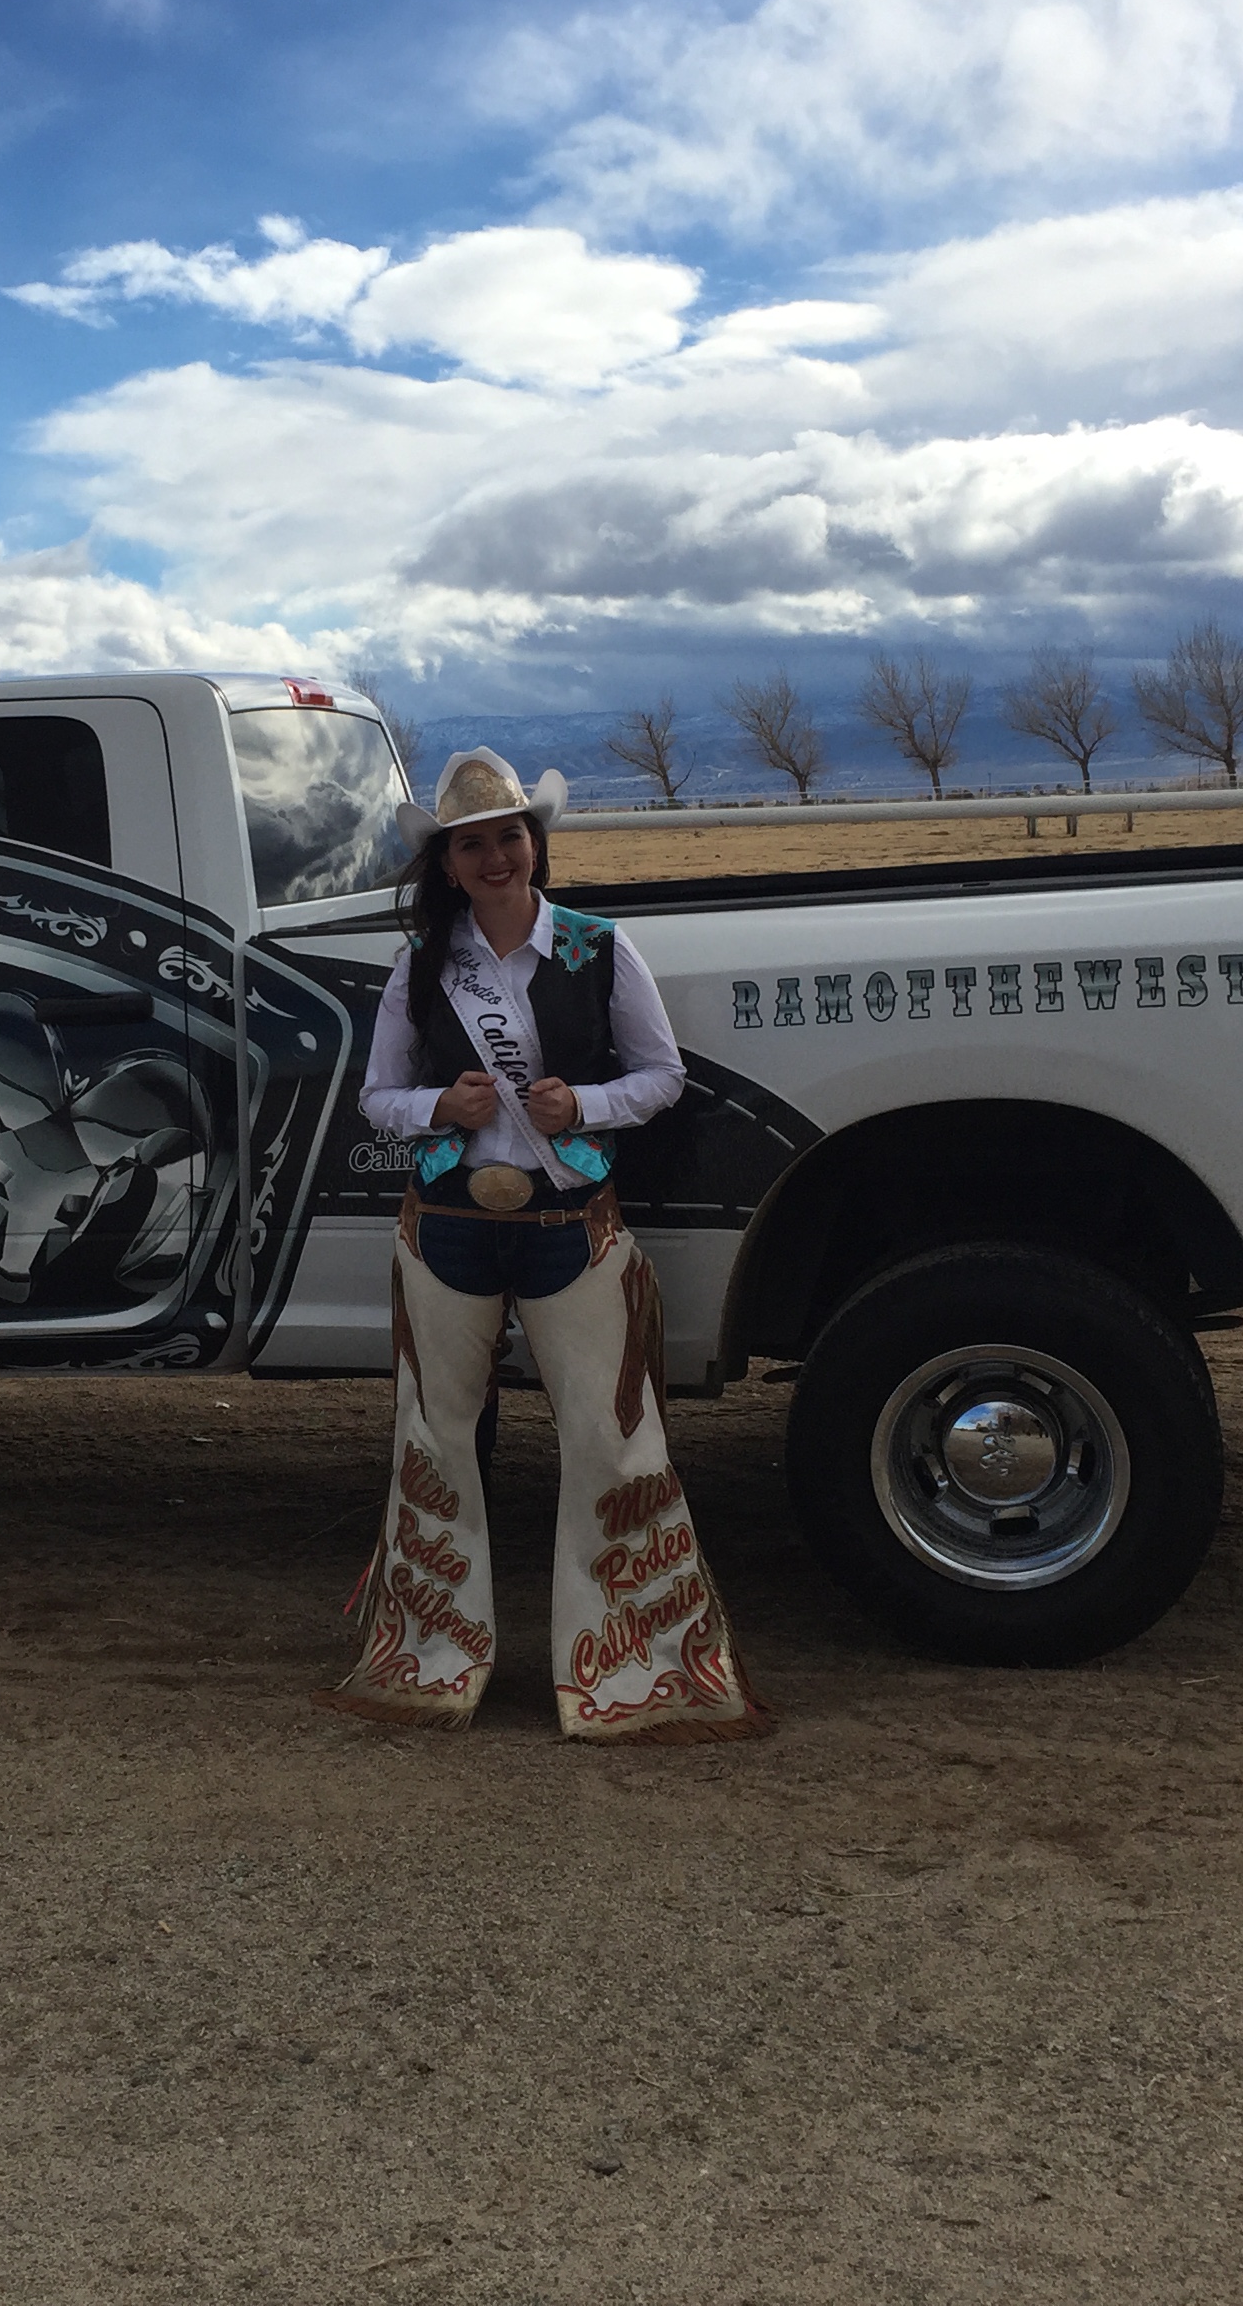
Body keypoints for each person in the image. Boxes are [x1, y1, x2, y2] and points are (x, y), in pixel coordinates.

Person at [318, 747, 772, 1742]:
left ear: (537, 845)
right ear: (445, 864)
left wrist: (586, 1104)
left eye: (509, 837)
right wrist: (442, 1103)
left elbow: (659, 1078)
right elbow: (377, 1099)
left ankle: (642, 1669)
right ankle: (431, 1662)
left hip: (574, 1227)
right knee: (435, 1441)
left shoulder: (600, 949)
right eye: (471, 844)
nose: (495, 857)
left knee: (613, 1439)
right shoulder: (419, 968)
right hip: (446, 1233)